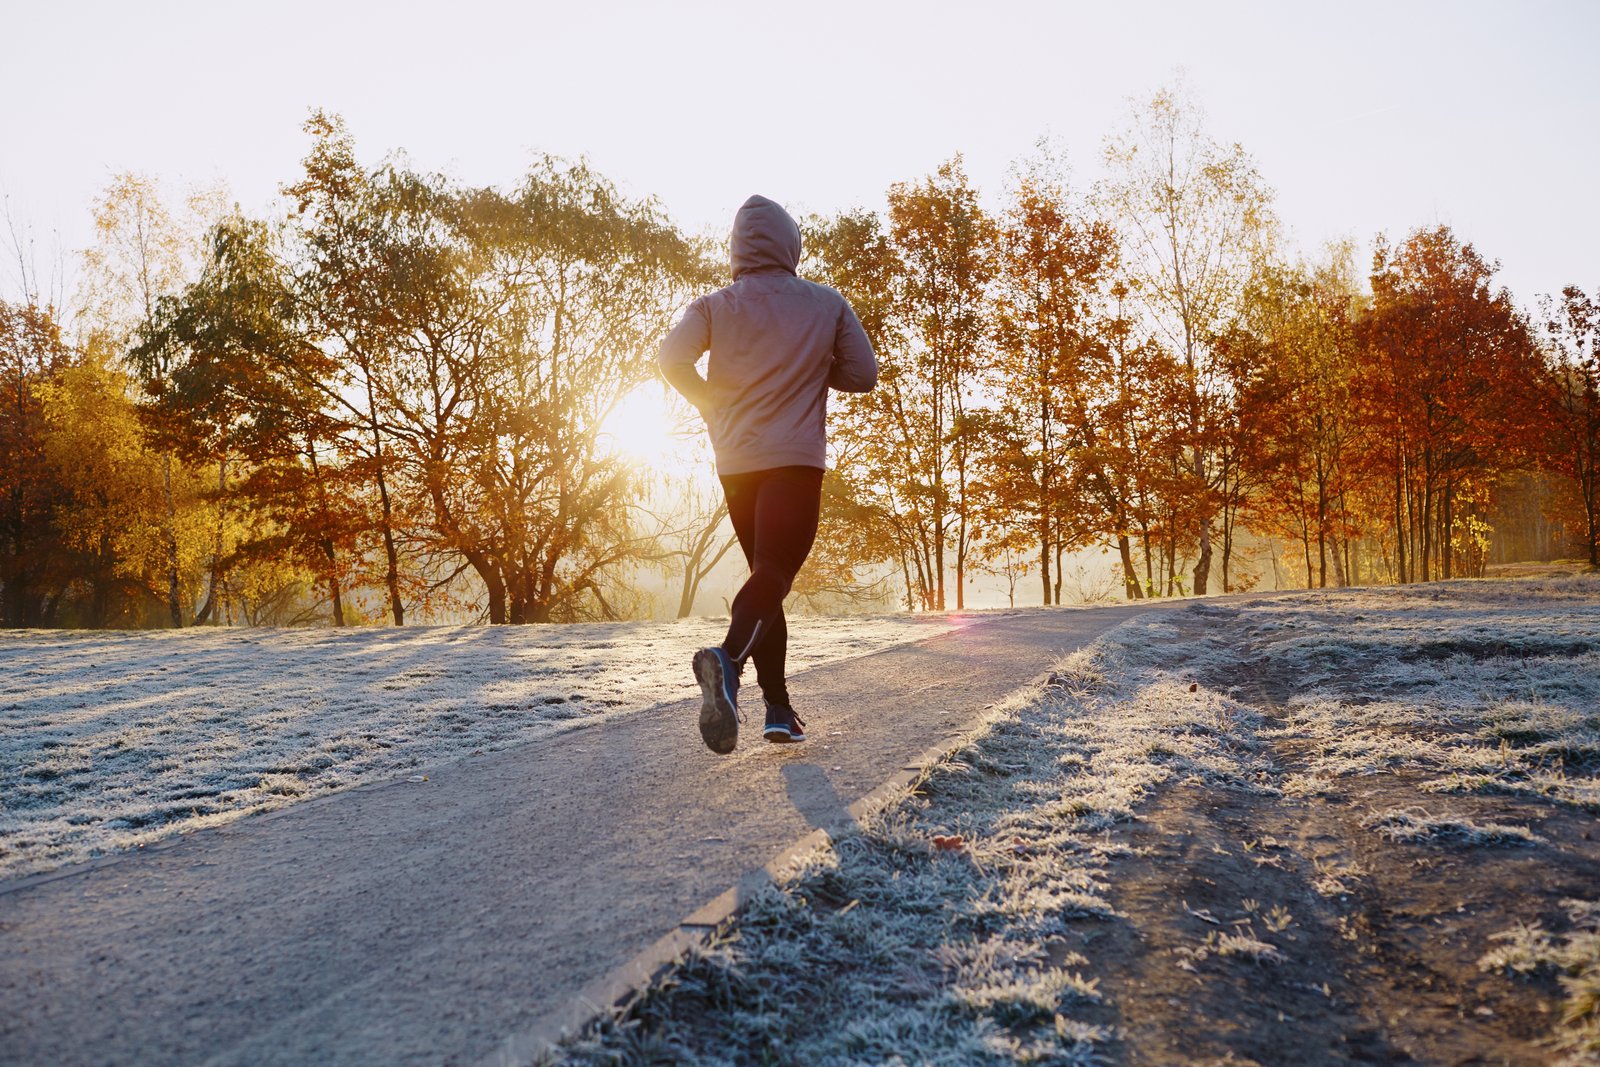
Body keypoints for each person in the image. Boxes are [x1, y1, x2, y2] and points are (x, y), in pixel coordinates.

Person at [658, 194, 878, 754]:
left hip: (736, 462)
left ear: (735, 248)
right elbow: (863, 374)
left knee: (765, 576)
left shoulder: (713, 306)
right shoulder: (825, 303)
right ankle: (727, 663)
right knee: (775, 572)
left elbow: (670, 360)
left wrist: (713, 405)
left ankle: (778, 709)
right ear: (791, 244)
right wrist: (812, 365)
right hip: (795, 460)